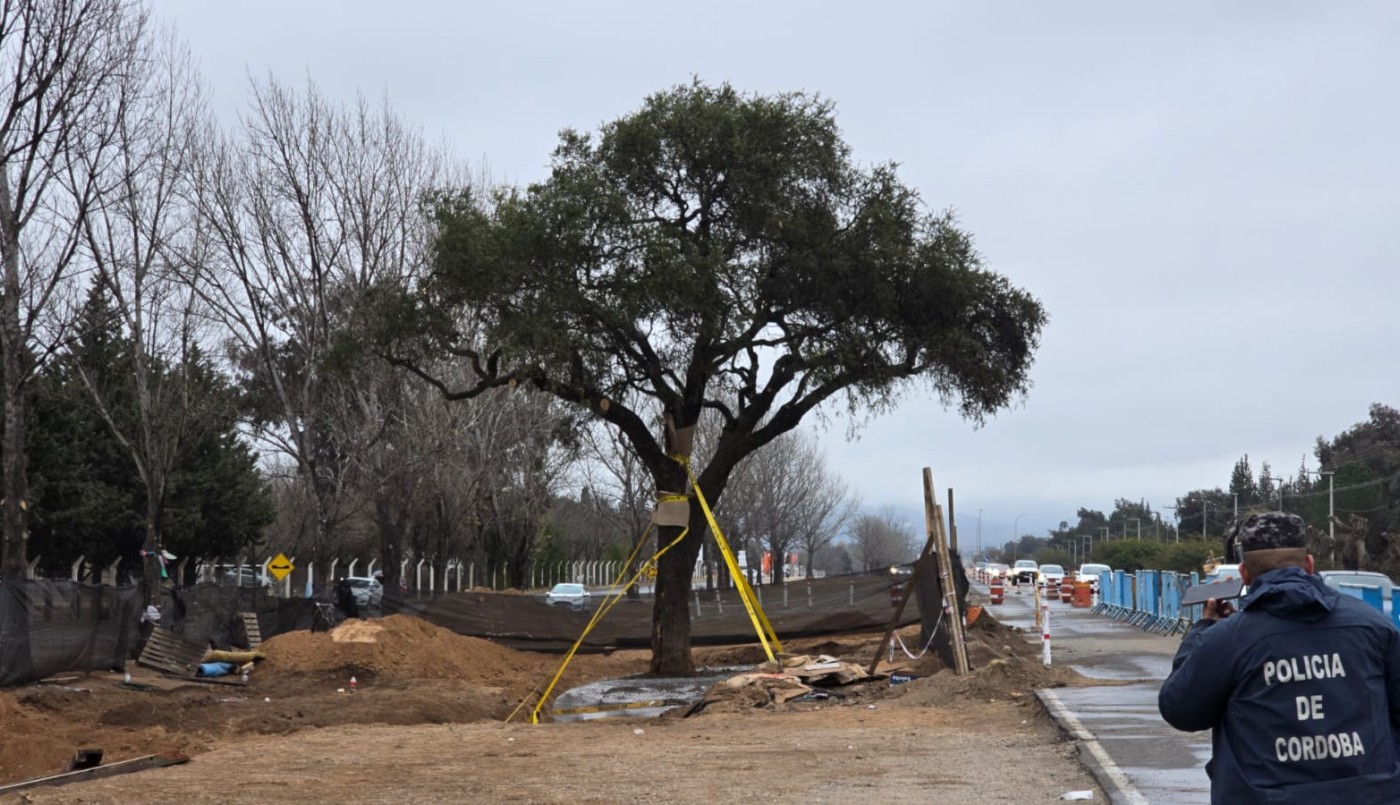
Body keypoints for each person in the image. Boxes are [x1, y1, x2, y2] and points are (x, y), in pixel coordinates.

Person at [1158, 511, 1400, 802]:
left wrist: (1203, 630)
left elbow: (1180, 709)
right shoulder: (1373, 625)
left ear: (1244, 574)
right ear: (1309, 564)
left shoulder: (1228, 639)